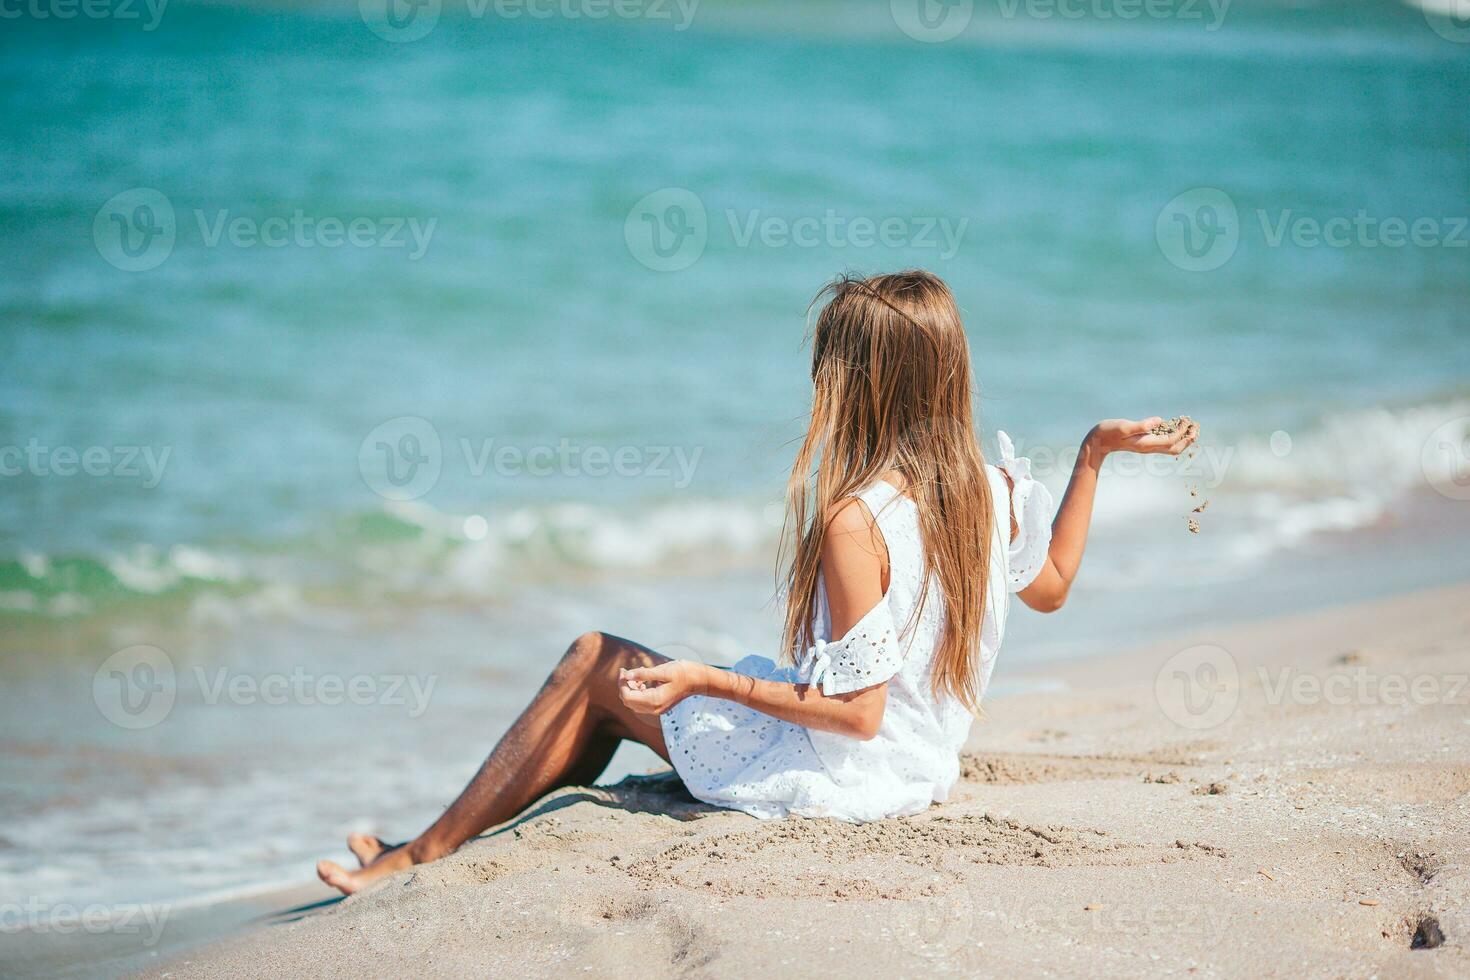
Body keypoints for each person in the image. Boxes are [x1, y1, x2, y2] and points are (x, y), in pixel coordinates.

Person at [317, 270, 1199, 895]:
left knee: (595, 661)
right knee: (613, 687)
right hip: (920, 767)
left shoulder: (859, 518)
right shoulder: (991, 491)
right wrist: (1094, 453)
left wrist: (707, 680)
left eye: (832, 367)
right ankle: (437, 842)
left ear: (861, 384)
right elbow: (1051, 587)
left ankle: (420, 855)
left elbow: (858, 712)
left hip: (844, 774)